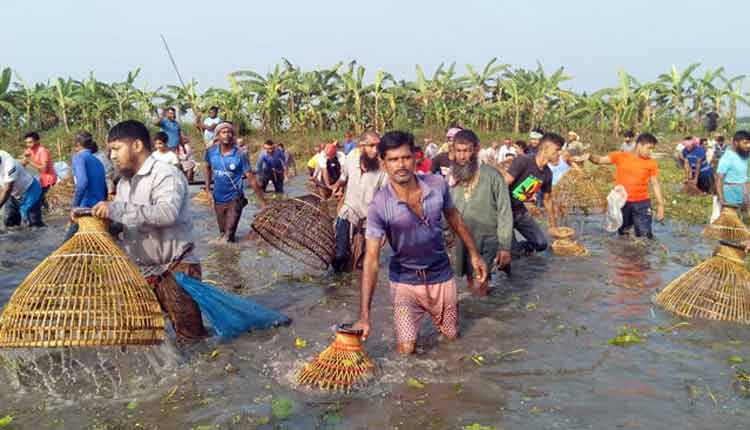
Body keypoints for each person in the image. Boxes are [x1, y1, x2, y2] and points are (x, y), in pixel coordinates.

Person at [351, 131, 487, 354]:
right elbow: (372, 260)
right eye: (393, 160)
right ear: (383, 163)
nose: (401, 165)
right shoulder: (379, 205)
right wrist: (364, 316)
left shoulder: (437, 185)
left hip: (441, 277)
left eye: (405, 157)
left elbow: (454, 217)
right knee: (406, 349)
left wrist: (474, 254)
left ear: (415, 158)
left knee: (451, 341)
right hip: (405, 282)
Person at [89, 120, 208, 339]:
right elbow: (128, 221)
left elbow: (166, 213)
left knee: (191, 337)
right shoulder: (124, 183)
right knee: (141, 335)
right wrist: (98, 221)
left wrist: (116, 209)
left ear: (136, 146)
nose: (112, 156)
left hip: (176, 268)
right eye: (110, 151)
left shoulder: (165, 174)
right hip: (143, 272)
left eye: (116, 149)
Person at [449, 129, 512, 296]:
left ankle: (484, 317)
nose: (462, 156)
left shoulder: (493, 176)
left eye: (466, 151)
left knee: (480, 282)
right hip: (463, 239)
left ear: (476, 150)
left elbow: (505, 211)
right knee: (470, 280)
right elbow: (446, 210)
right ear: (453, 151)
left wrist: (505, 246)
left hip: (488, 238)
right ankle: (480, 310)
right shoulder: (452, 176)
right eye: (458, 151)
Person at [587, 133, 665, 239]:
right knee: (624, 233)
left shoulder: (651, 163)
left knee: (645, 235)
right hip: (623, 203)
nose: (651, 152)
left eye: (652, 149)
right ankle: (625, 254)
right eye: (649, 148)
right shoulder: (621, 156)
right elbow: (599, 160)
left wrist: (661, 205)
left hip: (642, 203)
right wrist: (589, 156)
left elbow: (655, 184)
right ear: (639, 145)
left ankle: (643, 254)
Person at [330, 131, 387, 272]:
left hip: (370, 219)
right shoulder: (351, 158)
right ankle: (335, 290)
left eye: (378, 146)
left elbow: (386, 199)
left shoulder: (383, 170)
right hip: (348, 212)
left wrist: (385, 228)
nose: (376, 150)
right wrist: (337, 187)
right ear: (362, 146)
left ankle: (355, 288)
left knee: (364, 263)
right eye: (371, 146)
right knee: (340, 255)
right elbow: (344, 178)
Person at [204, 122, 266, 243]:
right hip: (218, 198)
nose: (227, 135)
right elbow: (207, 168)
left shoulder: (240, 154)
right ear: (217, 135)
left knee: (228, 236)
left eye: (229, 132)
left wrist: (263, 202)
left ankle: (230, 258)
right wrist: (207, 190)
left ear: (233, 135)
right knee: (223, 234)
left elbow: (251, 178)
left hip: (235, 198)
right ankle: (227, 259)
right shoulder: (211, 152)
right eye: (223, 132)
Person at [506, 133, 562, 255]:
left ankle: (517, 249)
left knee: (541, 244)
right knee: (512, 252)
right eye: (557, 150)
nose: (559, 154)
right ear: (545, 148)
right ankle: (510, 250)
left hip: (519, 211)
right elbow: (503, 185)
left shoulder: (547, 174)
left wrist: (553, 226)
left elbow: (547, 200)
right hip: (504, 212)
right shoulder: (523, 161)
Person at [63, 131, 107, 242]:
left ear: (77, 144)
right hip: (98, 211)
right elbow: (105, 188)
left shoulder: (78, 157)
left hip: (84, 210)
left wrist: (75, 207)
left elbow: (82, 182)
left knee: (66, 247)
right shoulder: (98, 161)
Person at [0, 150, 44, 227]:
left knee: (34, 225)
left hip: (29, 191)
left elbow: (7, 189)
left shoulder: (9, 165)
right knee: (9, 222)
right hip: (13, 193)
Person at [21, 132, 57, 209]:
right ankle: (46, 211)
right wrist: (24, 160)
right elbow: (23, 165)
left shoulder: (42, 151)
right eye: (26, 143)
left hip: (48, 179)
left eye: (30, 142)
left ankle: (47, 212)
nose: (28, 144)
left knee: (39, 200)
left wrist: (29, 162)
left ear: (37, 141)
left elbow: (44, 169)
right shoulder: (29, 150)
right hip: (38, 179)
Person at [716, 131, 750, 209]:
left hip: (743, 193)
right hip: (730, 195)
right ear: (735, 143)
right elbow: (719, 179)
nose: (748, 146)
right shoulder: (727, 157)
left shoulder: (744, 154)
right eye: (745, 143)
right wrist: (722, 200)